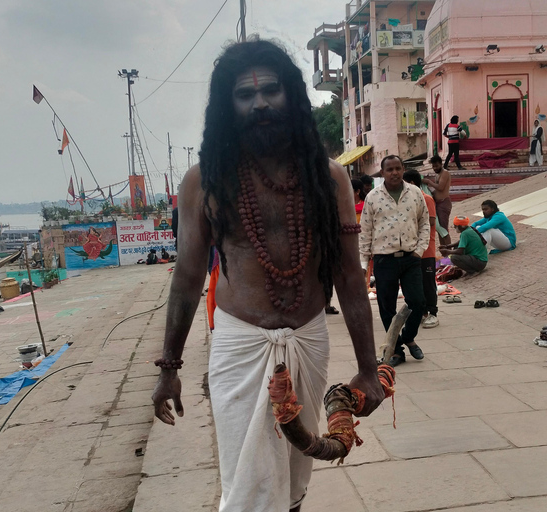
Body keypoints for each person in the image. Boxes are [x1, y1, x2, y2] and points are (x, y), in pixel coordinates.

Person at [152, 40, 384, 512]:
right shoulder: (204, 181)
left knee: (297, 473)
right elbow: (187, 278)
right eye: (244, 94)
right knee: (248, 482)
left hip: (309, 338)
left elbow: (348, 276)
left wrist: (367, 367)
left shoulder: (330, 177)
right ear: (228, 107)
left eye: (271, 90)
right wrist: (169, 369)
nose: (259, 102)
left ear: (291, 96)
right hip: (240, 345)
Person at [359, 155, 429, 366]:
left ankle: (408, 336)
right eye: (389, 169)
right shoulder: (372, 197)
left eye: (398, 168)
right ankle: (397, 349)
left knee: (418, 302)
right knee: (386, 307)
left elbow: (424, 222)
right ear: (382, 173)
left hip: (410, 258)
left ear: (403, 169)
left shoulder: (415, 193)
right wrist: (364, 264)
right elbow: (365, 231)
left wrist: (420, 250)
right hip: (384, 260)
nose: (394, 173)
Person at [402, 169, 439, 329]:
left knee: (428, 283)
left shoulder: (426, 199)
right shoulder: (405, 202)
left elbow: (431, 221)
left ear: (411, 183)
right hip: (410, 249)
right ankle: (421, 313)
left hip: (426, 249)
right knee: (414, 284)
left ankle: (432, 313)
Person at [422, 155, 452, 246]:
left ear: (441, 164)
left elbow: (441, 188)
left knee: (444, 230)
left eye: (436, 166)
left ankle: (448, 253)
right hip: (438, 204)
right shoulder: (438, 174)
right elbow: (436, 190)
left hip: (444, 203)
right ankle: (444, 252)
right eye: (433, 166)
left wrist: (429, 182)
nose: (435, 168)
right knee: (440, 230)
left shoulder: (445, 173)